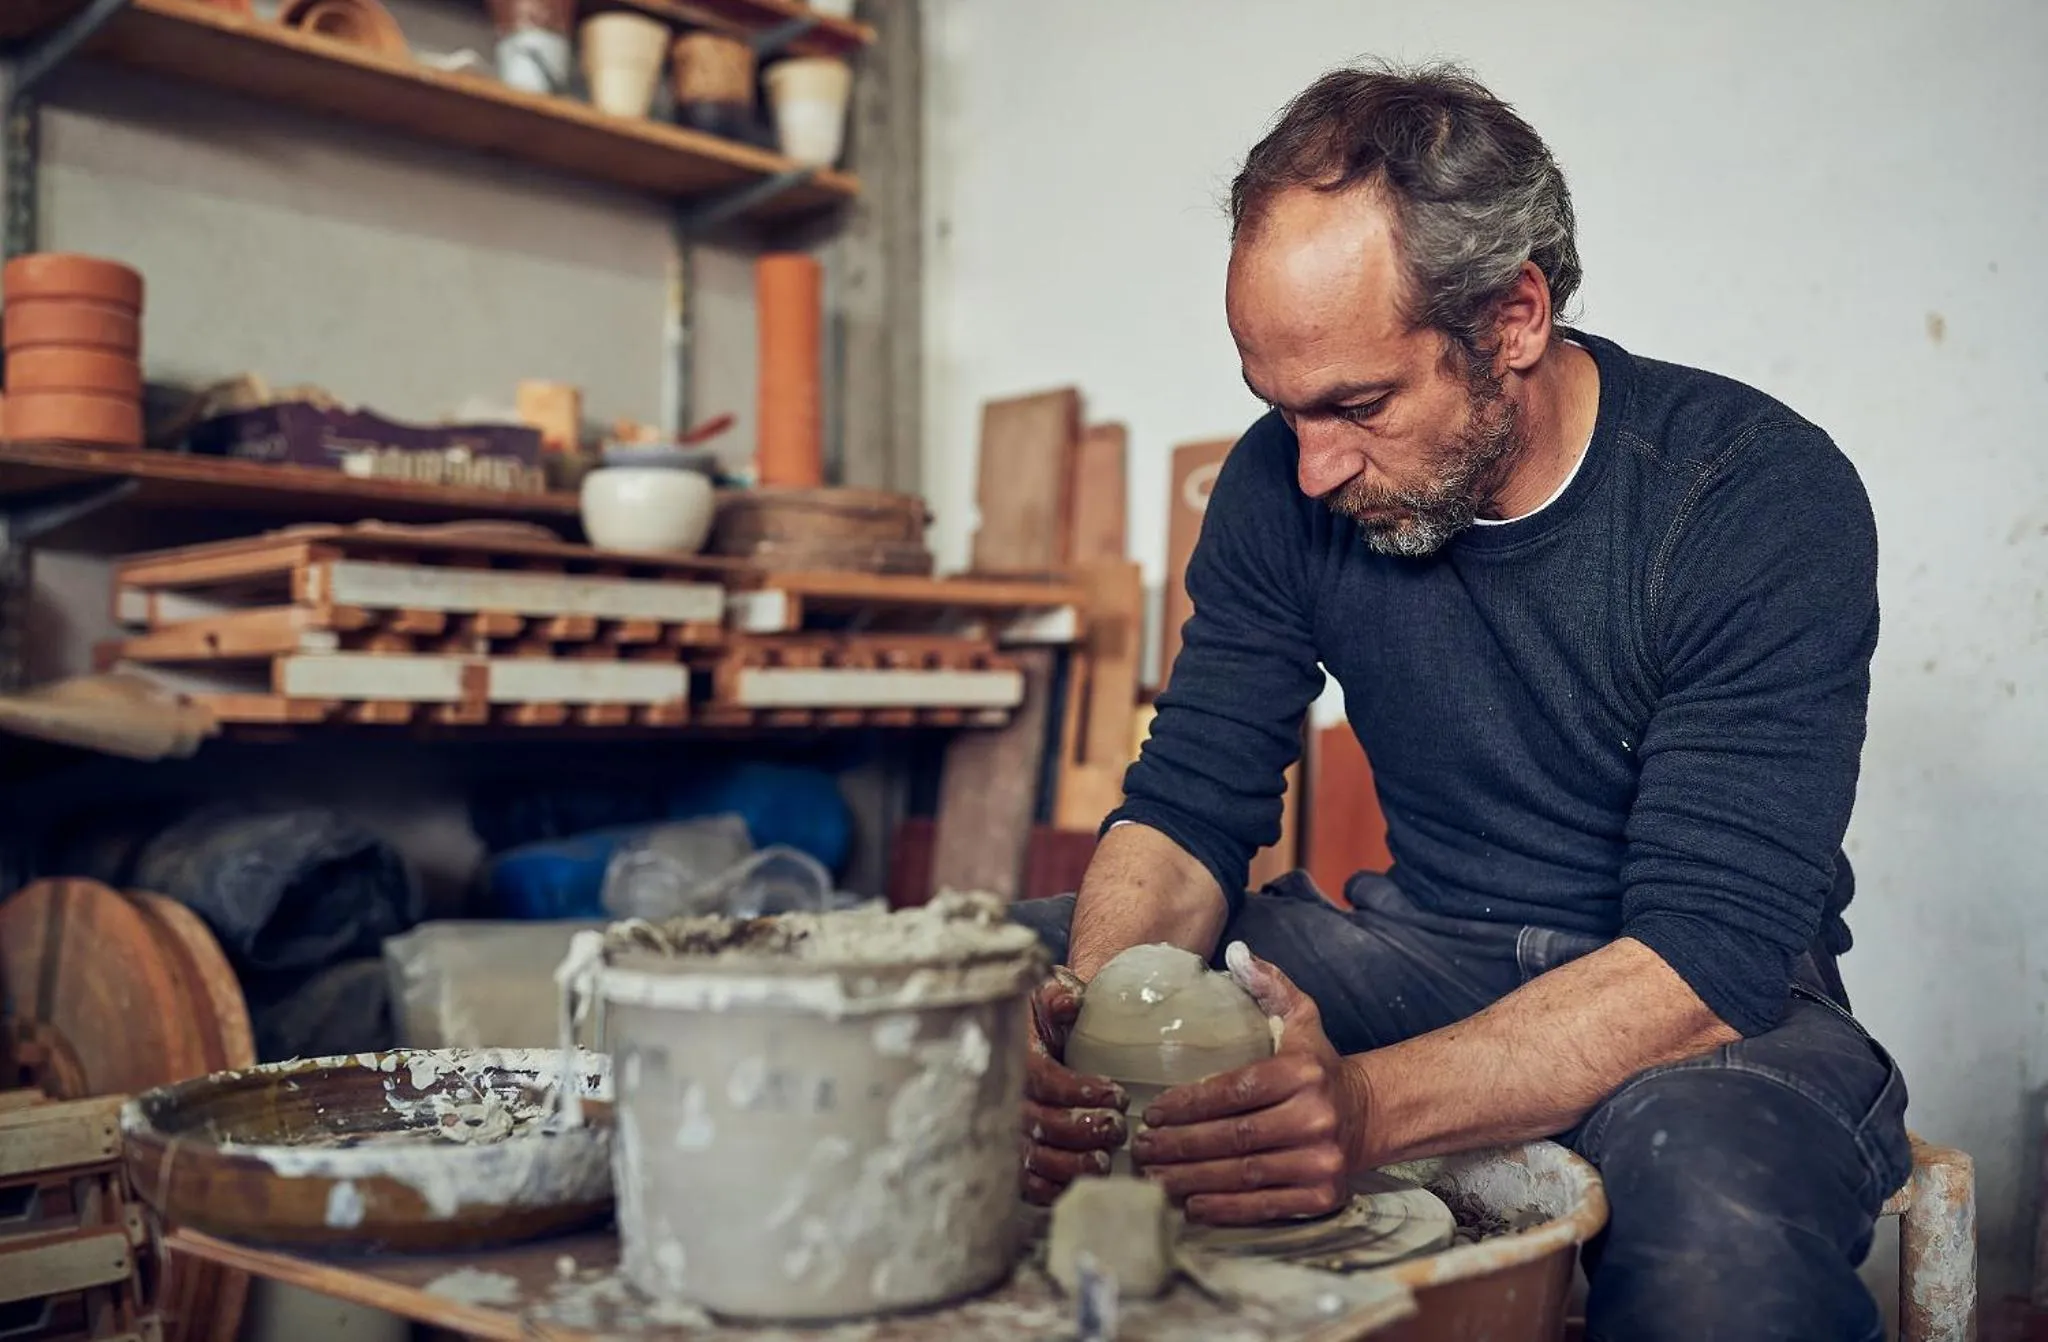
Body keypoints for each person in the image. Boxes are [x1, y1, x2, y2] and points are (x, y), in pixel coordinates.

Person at [1011, 60, 1911, 1341]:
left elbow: (1706, 953)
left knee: (1718, 1256)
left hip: (1698, 1005)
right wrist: (1094, 1007)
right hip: (1424, 947)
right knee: (979, 981)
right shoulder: (1288, 481)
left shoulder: (1751, 495)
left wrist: (1362, 1105)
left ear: (1511, 319)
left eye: (1358, 406)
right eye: (1279, 409)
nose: (1309, 464)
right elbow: (1187, 802)